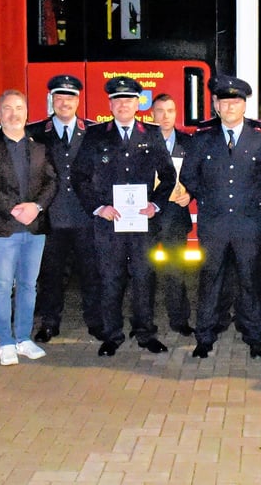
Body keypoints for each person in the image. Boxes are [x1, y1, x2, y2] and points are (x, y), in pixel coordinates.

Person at [72, 76, 175, 357]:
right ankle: (112, 334)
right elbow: (78, 176)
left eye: (128, 99)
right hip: (109, 221)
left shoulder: (151, 134)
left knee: (144, 277)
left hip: (142, 222)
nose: (122, 104)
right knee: (110, 279)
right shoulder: (95, 135)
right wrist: (98, 207)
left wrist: (156, 204)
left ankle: (145, 333)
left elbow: (168, 175)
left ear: (137, 104)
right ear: (110, 104)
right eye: (117, 100)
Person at [182, 75, 261, 360]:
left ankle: (254, 335)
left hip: (250, 223)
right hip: (215, 223)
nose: (230, 106)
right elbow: (188, 175)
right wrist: (208, 197)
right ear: (216, 105)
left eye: (236, 101)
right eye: (225, 101)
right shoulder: (203, 139)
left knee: (251, 281)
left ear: (244, 105)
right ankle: (205, 336)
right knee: (210, 280)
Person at [0, 89, 58, 366]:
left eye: (19, 108)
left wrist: (36, 207)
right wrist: (13, 207)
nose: (14, 114)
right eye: (8, 109)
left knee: (28, 285)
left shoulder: (38, 146)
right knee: (1, 285)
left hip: (34, 227)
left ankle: (24, 338)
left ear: (26, 113)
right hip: (2, 227)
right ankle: (6, 342)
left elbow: (51, 181)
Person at [26, 75, 104, 343]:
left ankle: (96, 322)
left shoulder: (94, 131)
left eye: (69, 98)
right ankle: (49, 323)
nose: (64, 103)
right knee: (51, 275)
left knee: (91, 274)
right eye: (59, 98)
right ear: (52, 100)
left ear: (78, 100)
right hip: (52, 217)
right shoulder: (35, 132)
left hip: (85, 215)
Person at [149, 93, 195, 337]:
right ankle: (143, 324)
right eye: (160, 111)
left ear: (176, 113)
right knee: (143, 273)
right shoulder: (142, 140)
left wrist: (191, 193)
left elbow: (199, 176)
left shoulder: (189, 143)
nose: (165, 116)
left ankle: (180, 320)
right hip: (145, 216)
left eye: (170, 110)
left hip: (175, 216)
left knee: (175, 272)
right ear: (151, 114)